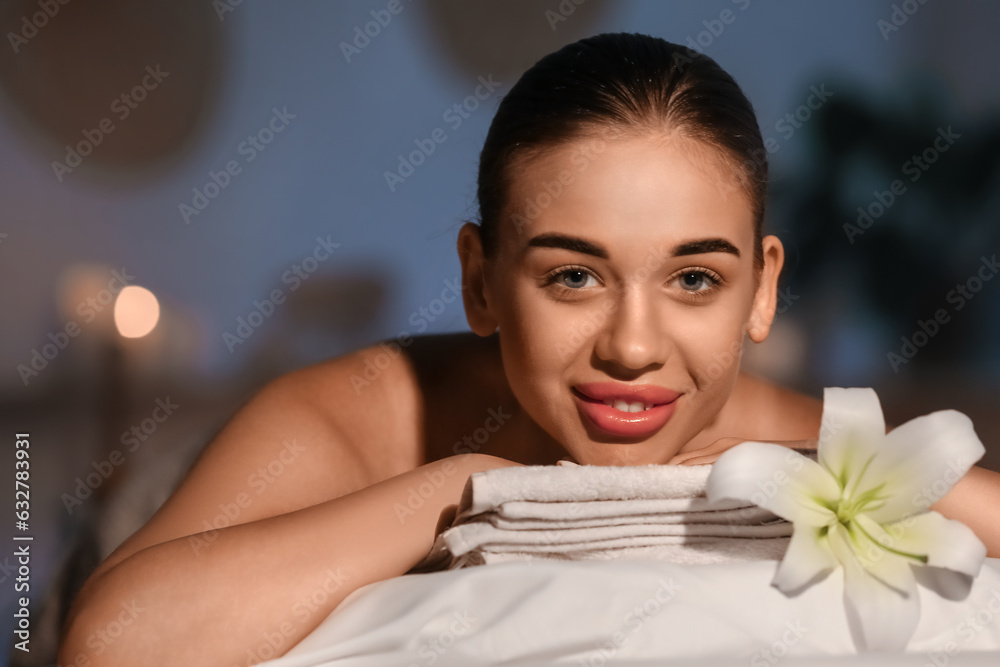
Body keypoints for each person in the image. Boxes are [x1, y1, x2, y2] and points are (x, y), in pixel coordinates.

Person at [58, 32, 1000, 666]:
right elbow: (112, 641)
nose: (635, 348)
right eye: (574, 276)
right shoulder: (356, 409)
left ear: (762, 290)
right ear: (480, 280)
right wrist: (472, 487)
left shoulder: (750, 429)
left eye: (695, 280)